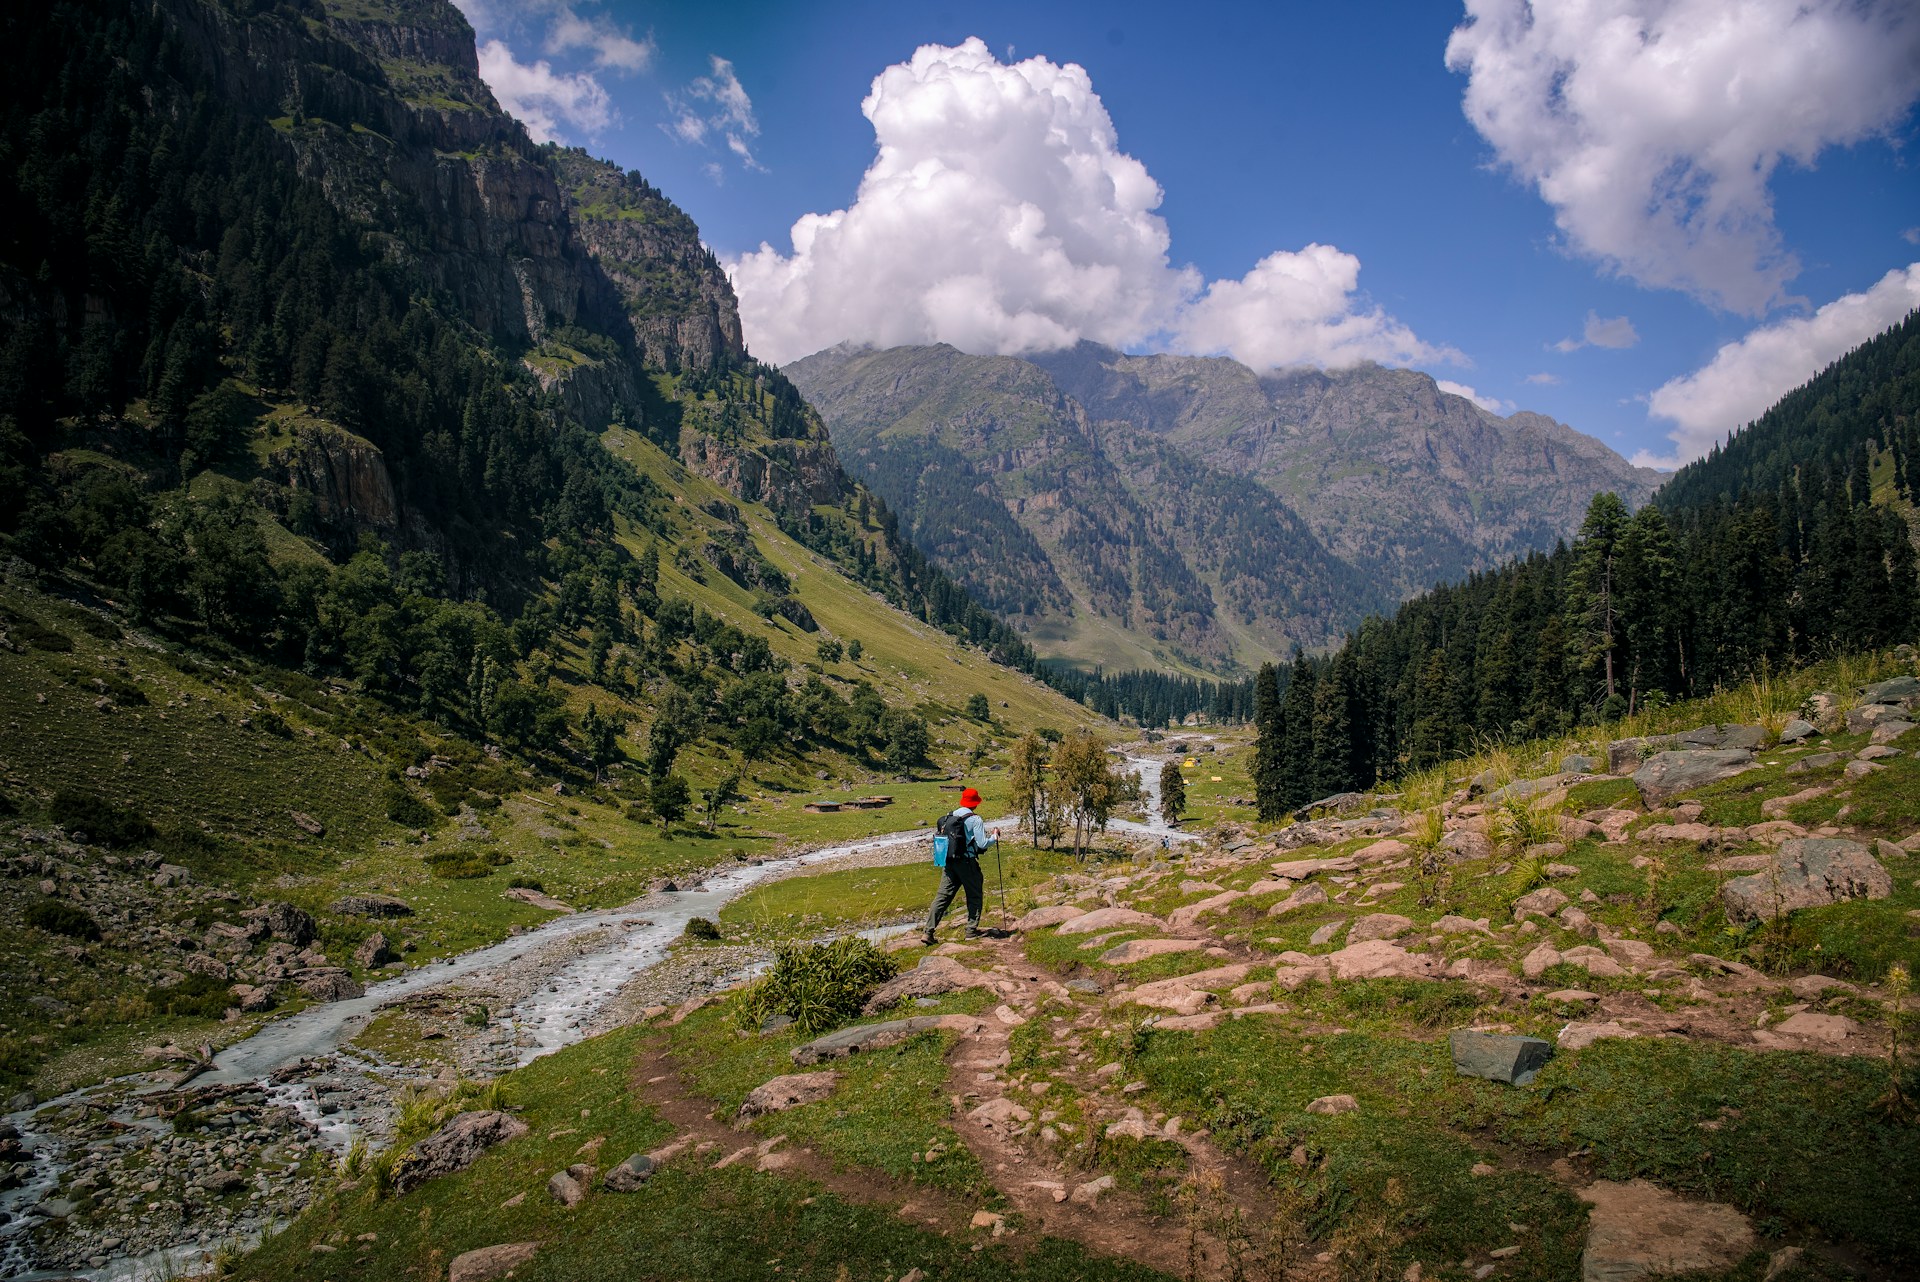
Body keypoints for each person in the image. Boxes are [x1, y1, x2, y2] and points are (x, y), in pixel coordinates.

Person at [922, 786, 997, 944]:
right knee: (974, 895)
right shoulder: (975, 819)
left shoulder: (951, 816)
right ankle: (971, 931)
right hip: (967, 862)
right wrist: (994, 837)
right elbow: (982, 844)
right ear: (975, 803)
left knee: (942, 897)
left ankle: (928, 932)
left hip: (949, 863)